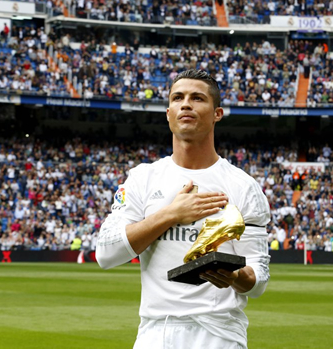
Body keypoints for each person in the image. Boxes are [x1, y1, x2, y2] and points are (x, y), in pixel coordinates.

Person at [96, 69, 271, 349]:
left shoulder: (243, 186)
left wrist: (236, 276)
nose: (186, 104)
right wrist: (172, 214)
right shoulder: (143, 178)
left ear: (217, 114)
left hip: (220, 334)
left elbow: (258, 278)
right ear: (168, 113)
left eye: (197, 98)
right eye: (178, 97)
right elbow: (106, 253)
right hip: (157, 331)